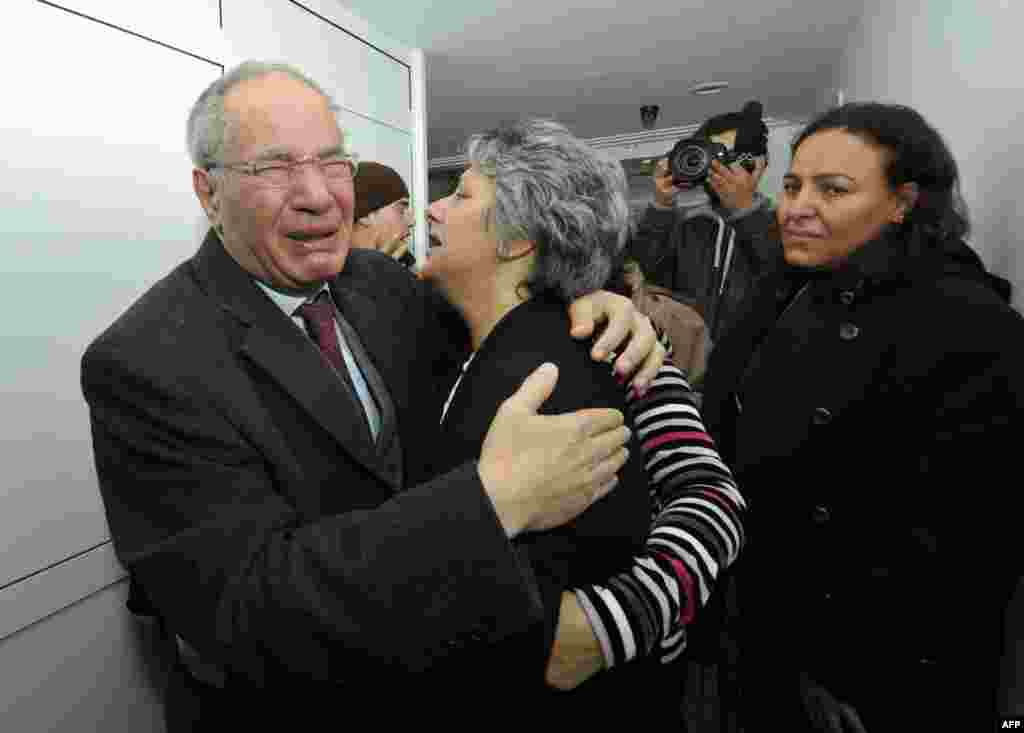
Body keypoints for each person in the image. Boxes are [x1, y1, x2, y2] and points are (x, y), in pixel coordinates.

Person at [79, 61, 668, 730]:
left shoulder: (384, 286)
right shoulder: (144, 361)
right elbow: (244, 609)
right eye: (274, 168)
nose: (321, 197)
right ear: (208, 193)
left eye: (333, 162)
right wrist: (493, 499)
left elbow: (502, 326)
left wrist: (591, 303)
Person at [699, 102, 1024, 731]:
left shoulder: (970, 325)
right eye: (793, 185)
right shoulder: (792, 287)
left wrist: (848, 671)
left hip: (868, 673)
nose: (796, 205)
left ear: (903, 203)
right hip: (764, 622)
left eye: (834, 189)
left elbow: (969, 542)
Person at [419, 119, 746, 724]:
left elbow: (710, 498)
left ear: (517, 240)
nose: (432, 207)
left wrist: (606, 625)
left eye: (461, 194)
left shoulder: (601, 351)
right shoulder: (456, 340)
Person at [626, 101, 781, 355]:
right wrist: (662, 205)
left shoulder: (786, 223)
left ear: (758, 164)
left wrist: (744, 209)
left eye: (723, 156)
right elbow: (653, 274)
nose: (713, 167)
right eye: (709, 155)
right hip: (691, 364)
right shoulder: (693, 224)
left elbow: (780, 279)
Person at [350, 160, 416, 268]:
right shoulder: (322, 280)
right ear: (366, 214)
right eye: (401, 209)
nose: (412, 221)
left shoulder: (406, 273)